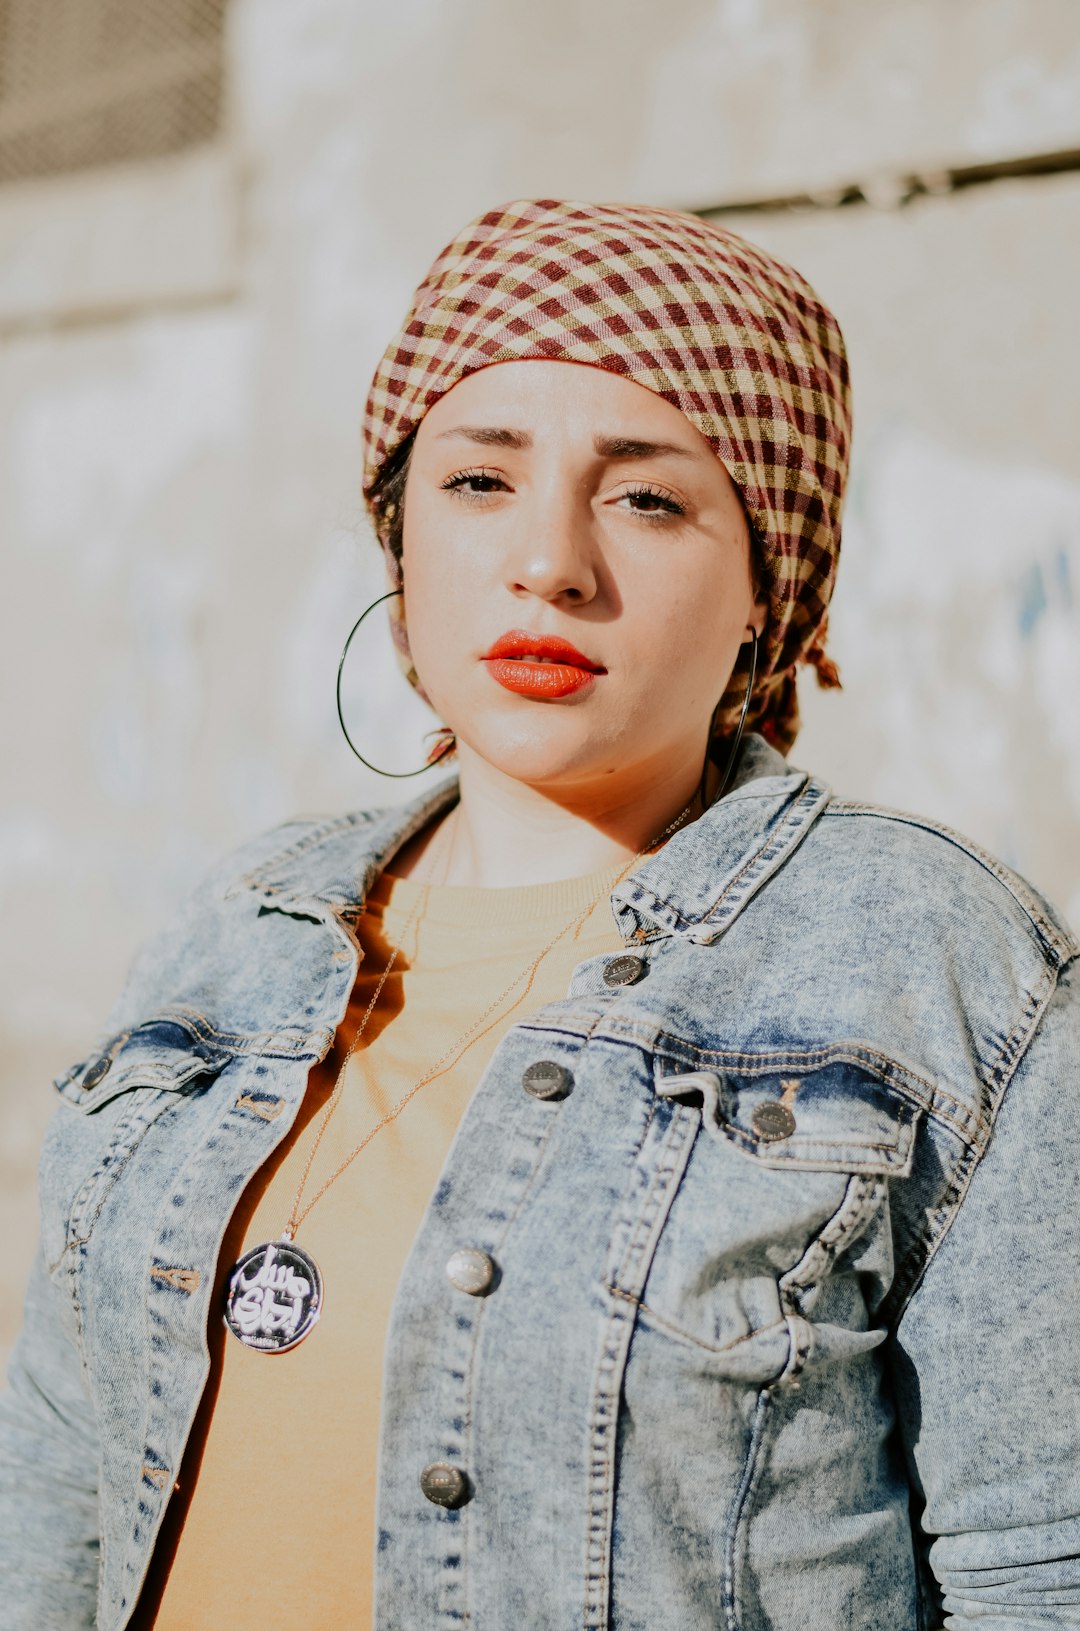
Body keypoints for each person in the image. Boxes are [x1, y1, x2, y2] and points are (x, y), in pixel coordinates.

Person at [1, 198, 1077, 1631]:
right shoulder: (238, 926)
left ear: (770, 578)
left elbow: (1041, 1571)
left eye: (647, 496)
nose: (552, 562)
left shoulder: (934, 966)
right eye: (479, 483)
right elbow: (57, 1493)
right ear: (398, 549)